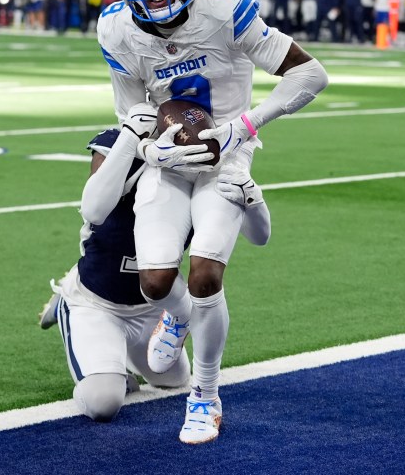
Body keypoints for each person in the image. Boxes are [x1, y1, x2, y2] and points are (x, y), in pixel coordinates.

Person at [97, 0, 328, 444]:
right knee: (155, 282)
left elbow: (310, 74)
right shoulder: (114, 27)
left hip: (229, 157)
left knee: (204, 275)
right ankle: (178, 319)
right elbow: (131, 106)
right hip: (169, 159)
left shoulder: (223, 6)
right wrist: (149, 142)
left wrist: (240, 128)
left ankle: (204, 395)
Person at [39, 103, 271, 423]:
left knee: (173, 381)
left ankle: (121, 351)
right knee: (103, 402)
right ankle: (69, 305)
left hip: (153, 307)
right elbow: (93, 209)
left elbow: (259, 236)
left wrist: (252, 196)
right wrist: (132, 138)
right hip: (99, 300)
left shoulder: (207, 160)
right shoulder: (123, 142)